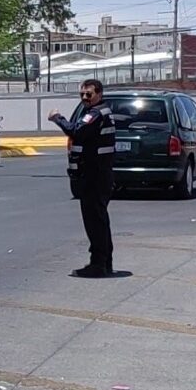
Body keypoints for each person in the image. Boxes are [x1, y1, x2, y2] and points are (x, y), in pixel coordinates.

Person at [48, 79, 116, 278]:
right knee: (99, 220)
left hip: (95, 176)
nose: (85, 98)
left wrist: (57, 117)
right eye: (82, 95)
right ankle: (104, 262)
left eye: (89, 94)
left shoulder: (96, 114)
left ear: (99, 94)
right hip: (96, 174)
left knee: (95, 222)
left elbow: (76, 131)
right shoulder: (95, 112)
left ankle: (98, 264)